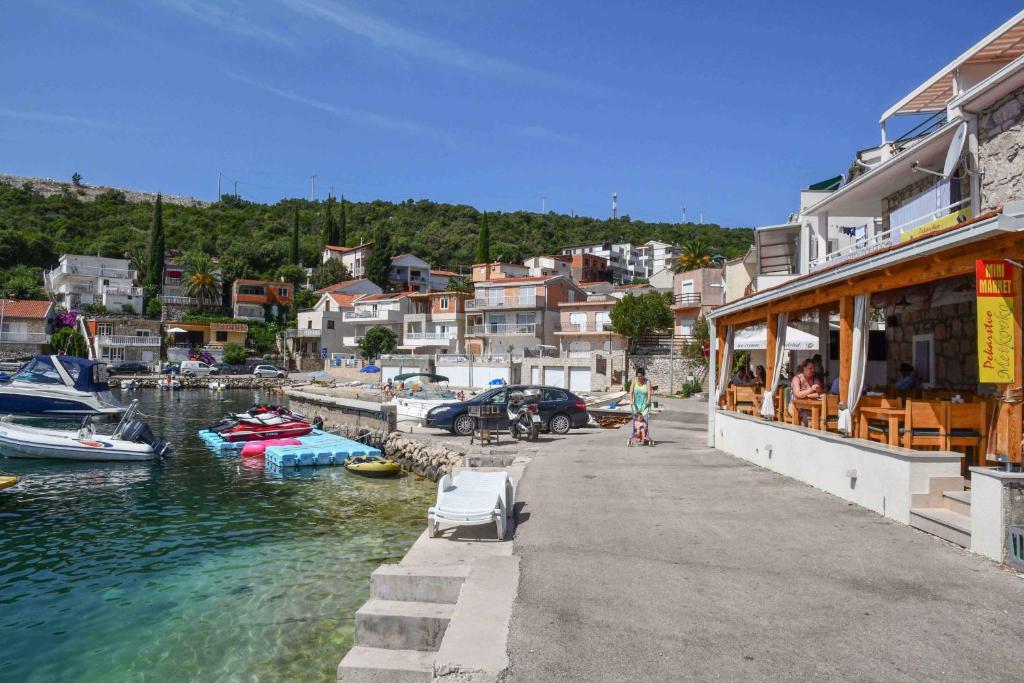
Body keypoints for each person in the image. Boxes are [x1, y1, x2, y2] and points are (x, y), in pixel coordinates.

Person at [790, 359, 823, 425]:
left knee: (819, 415)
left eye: (814, 368)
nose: (813, 370)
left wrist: (805, 394)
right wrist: (811, 390)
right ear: (804, 368)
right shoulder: (797, 379)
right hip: (796, 407)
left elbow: (820, 394)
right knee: (806, 417)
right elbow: (797, 394)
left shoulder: (815, 379)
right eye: (810, 368)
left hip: (811, 407)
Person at [630, 367, 652, 431]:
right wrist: (631, 401)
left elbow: (649, 392)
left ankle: (644, 435)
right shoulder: (634, 381)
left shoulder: (647, 382)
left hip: (645, 404)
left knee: (644, 421)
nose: (639, 377)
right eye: (638, 376)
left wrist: (648, 400)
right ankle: (637, 434)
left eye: (641, 376)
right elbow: (631, 392)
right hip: (636, 404)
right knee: (636, 421)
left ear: (643, 375)